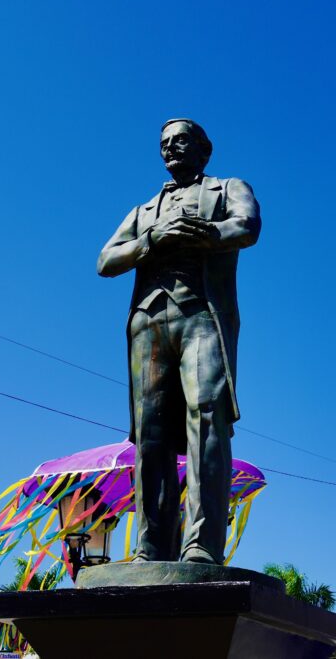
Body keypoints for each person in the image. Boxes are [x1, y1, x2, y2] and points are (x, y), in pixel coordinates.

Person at [96, 119, 261, 564]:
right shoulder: (144, 210)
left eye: (181, 140)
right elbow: (106, 260)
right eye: (165, 144)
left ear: (205, 150)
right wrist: (151, 240)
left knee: (207, 415)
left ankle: (202, 544)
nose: (171, 149)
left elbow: (248, 226)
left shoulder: (227, 188)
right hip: (149, 323)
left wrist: (207, 234)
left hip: (201, 316)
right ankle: (152, 547)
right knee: (150, 434)